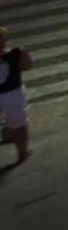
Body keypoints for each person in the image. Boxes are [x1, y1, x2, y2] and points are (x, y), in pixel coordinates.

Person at [0, 27, 31, 164]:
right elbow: (27, 66)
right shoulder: (16, 53)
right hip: (12, 92)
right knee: (18, 123)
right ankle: (22, 152)